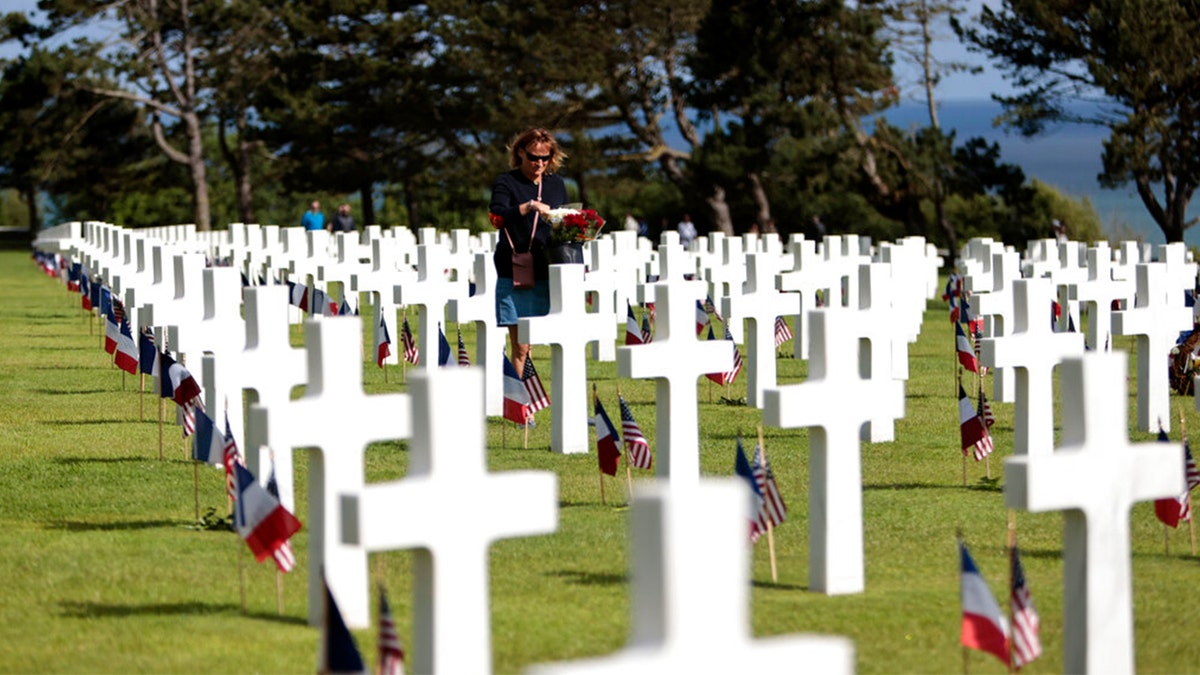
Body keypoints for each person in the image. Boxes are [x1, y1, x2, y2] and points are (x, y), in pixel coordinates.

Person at [489, 127, 569, 379]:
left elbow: (563, 220)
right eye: (534, 157)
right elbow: (497, 216)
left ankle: (529, 400)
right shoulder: (506, 181)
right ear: (521, 153)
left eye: (545, 158)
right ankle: (521, 407)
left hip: (546, 267)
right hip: (515, 267)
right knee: (521, 345)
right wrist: (529, 206)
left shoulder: (556, 184)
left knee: (537, 341)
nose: (539, 163)